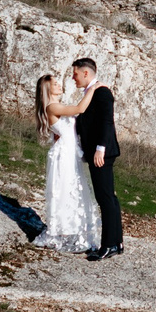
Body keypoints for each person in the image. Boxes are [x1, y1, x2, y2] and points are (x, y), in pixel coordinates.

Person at [30, 71, 103, 254]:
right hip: (64, 154)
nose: (59, 85)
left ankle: (71, 229)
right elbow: (79, 109)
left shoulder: (56, 106)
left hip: (69, 151)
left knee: (73, 188)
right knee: (65, 189)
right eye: (55, 84)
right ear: (48, 89)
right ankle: (62, 231)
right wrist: (92, 88)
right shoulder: (52, 107)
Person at [70, 56, 123, 259]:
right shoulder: (93, 92)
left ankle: (109, 245)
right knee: (109, 197)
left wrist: (100, 149)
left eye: (75, 74)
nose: (73, 78)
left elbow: (106, 122)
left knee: (105, 197)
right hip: (99, 152)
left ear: (85, 73)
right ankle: (116, 243)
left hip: (102, 153)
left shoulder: (102, 93)